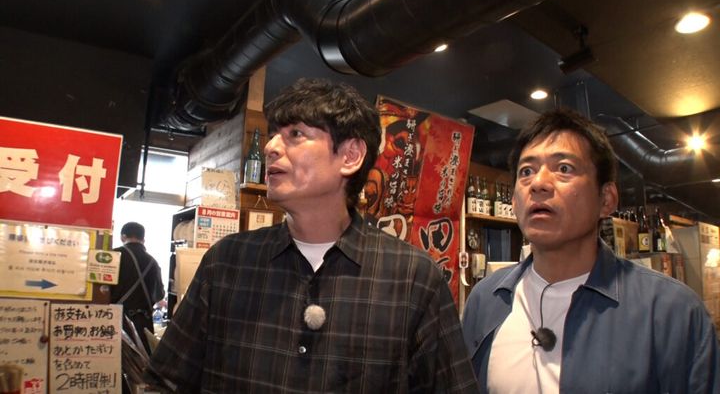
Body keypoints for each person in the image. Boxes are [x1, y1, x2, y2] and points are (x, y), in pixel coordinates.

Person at [146, 78, 479, 392]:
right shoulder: (226, 263)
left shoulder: (414, 278)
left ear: (350, 156)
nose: (271, 147)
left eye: (295, 134)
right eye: (273, 134)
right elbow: (165, 382)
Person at [462, 108, 719, 393]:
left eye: (564, 168)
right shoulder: (485, 300)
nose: (538, 183)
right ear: (514, 201)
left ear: (606, 199)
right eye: (526, 172)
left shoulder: (672, 311)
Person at [112, 221, 165, 353]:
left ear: (123, 237)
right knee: (141, 361)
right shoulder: (152, 262)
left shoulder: (113, 256)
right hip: (143, 324)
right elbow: (159, 294)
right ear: (143, 239)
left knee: (117, 359)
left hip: (116, 320)